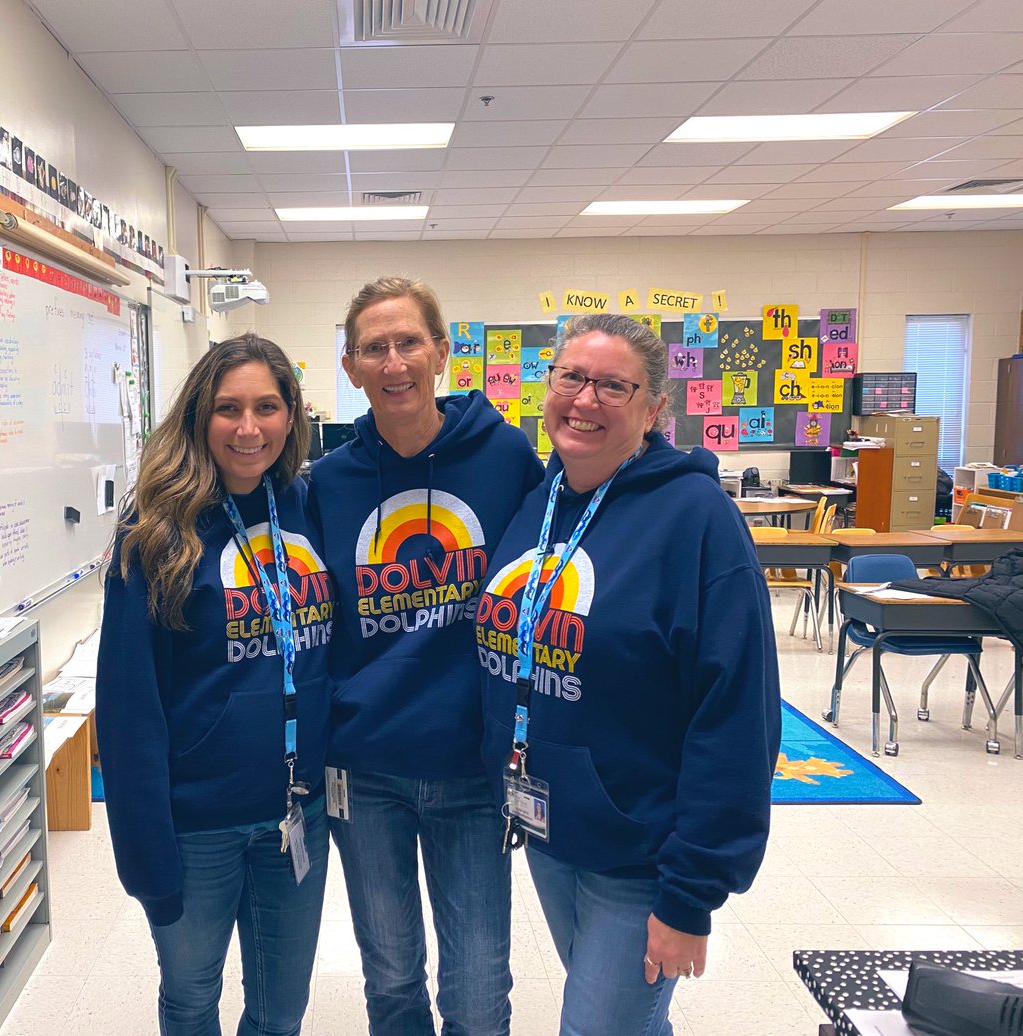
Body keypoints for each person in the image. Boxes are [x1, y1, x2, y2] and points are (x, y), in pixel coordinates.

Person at [477, 313, 781, 1036]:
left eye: (614, 386)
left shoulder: (697, 519)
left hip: (642, 853)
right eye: (571, 378)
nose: (585, 399)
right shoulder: (539, 503)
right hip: (552, 829)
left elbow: (736, 716)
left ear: (653, 410)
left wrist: (690, 895)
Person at [308, 276, 544, 1035]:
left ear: (442, 353)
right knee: (391, 979)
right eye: (374, 348)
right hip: (364, 767)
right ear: (351, 368)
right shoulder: (329, 481)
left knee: (477, 989)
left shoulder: (504, 456)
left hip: (471, 764)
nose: (394, 361)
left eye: (409, 341)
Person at [96, 333, 334, 1036]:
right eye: (229, 408)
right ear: (200, 415)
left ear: (292, 415)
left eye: (267, 407)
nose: (248, 427)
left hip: (296, 810)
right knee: (192, 1001)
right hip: (196, 825)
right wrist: (146, 855)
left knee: (281, 1012)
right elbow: (128, 709)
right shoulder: (154, 528)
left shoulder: (308, 505)